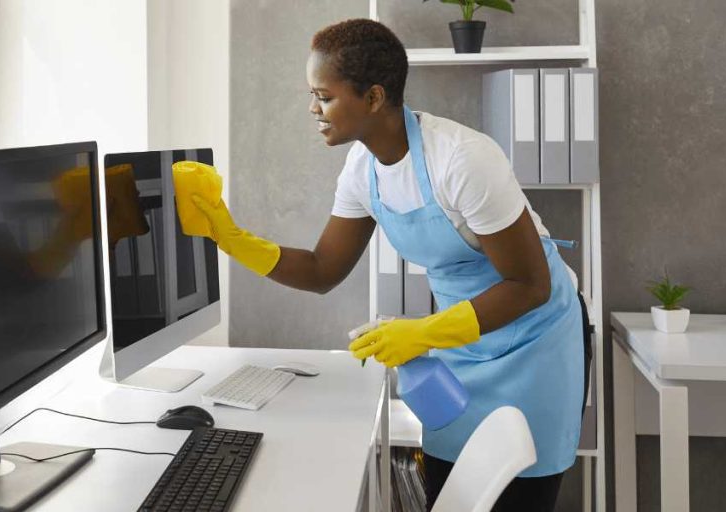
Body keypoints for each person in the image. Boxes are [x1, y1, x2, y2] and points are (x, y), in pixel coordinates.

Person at [181, 18, 591, 512]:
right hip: (459, 343)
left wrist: (424, 332)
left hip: (533, 342)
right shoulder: (362, 169)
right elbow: (321, 270)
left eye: (324, 96)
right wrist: (230, 236)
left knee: (517, 495)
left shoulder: (462, 160)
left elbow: (529, 285)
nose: (313, 109)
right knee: (453, 491)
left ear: (373, 98)